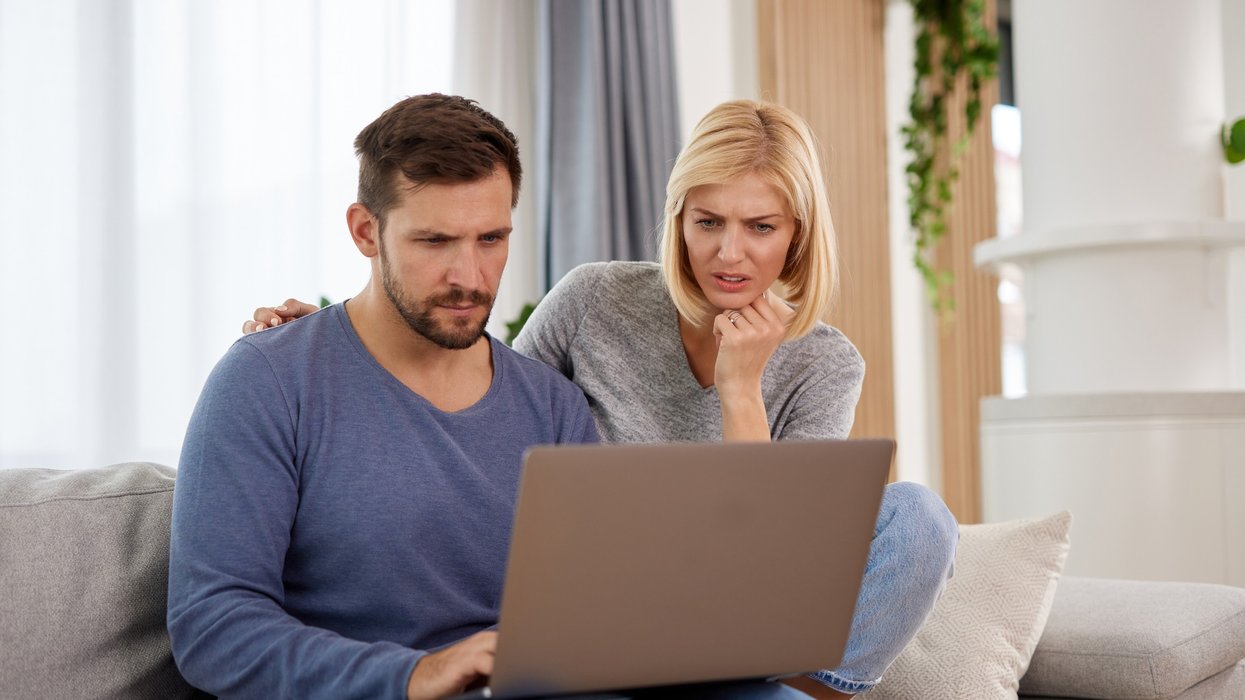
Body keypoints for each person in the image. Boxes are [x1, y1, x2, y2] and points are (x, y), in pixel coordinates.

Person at [245, 100, 957, 697]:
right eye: (706, 222)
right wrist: (347, 348)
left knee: (917, 517)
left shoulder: (825, 362)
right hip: (604, 595)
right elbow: (487, 407)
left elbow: (773, 565)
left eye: (759, 227)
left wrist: (742, 387)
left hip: (735, 609)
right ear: (678, 219)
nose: (728, 254)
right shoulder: (595, 298)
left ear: (797, 235)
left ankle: (775, 689)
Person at [167, 94, 600, 699]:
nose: (470, 277)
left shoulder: (553, 408)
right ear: (366, 231)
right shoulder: (268, 381)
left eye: (491, 238)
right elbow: (212, 627)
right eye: (435, 241)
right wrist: (414, 675)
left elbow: (592, 614)